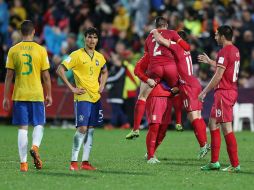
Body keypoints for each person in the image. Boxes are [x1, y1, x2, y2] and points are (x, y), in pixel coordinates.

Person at [126, 16, 190, 139]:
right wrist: (173, 43)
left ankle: (136, 129)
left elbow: (144, 59)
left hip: (155, 70)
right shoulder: (172, 33)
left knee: (142, 97)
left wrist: (148, 79)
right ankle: (178, 121)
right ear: (166, 25)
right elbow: (186, 47)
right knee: (177, 89)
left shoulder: (149, 37)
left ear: (156, 26)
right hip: (170, 68)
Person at [151, 30, 210, 159]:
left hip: (188, 86)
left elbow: (161, 40)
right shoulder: (185, 50)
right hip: (193, 83)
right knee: (196, 116)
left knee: (194, 117)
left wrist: (155, 31)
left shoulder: (177, 47)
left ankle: (204, 145)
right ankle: (204, 145)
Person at [2, 20, 52, 172]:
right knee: (39, 124)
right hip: (36, 93)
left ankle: (23, 164)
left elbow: (9, 76)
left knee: (22, 129)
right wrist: (49, 94)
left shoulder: (13, 50)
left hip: (20, 94)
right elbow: (46, 76)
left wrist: (5, 97)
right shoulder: (41, 50)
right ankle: (35, 147)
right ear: (34, 31)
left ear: (21, 32)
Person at [56, 27, 108, 171]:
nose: (92, 40)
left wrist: (102, 84)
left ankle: (85, 162)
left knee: (90, 130)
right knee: (82, 128)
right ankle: (73, 162)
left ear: (98, 40)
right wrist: (72, 88)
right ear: (84, 38)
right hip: (82, 96)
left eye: (95, 37)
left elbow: (105, 71)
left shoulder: (100, 57)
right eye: (89, 37)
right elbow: (60, 69)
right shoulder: (76, 55)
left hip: (95, 97)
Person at [198, 25, 240, 172]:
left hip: (224, 92)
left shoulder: (223, 51)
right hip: (230, 91)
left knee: (226, 128)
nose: (215, 37)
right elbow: (225, 67)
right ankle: (214, 162)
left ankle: (235, 165)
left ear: (222, 36)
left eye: (216, 35)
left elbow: (218, 75)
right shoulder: (235, 50)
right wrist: (210, 62)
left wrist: (204, 91)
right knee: (212, 123)